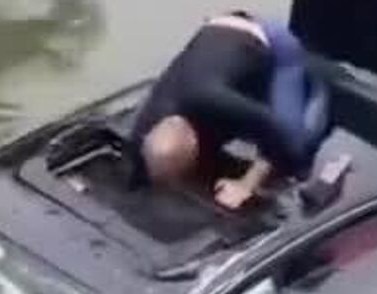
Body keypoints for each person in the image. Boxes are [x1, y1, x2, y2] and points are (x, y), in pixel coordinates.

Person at [129, 11, 327, 210]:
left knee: (294, 148)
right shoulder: (142, 130)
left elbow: (275, 131)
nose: (173, 186)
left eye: (176, 176)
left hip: (268, 39)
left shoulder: (217, 102)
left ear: (194, 144)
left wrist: (246, 184)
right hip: (216, 39)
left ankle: (321, 86)